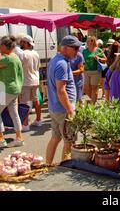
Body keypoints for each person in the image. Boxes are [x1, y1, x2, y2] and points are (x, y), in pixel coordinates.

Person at [45, 35, 81, 165]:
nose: (77, 51)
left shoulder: (55, 60)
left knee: (55, 137)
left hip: (55, 108)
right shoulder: (61, 63)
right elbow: (61, 90)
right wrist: (70, 110)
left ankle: (48, 164)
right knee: (69, 141)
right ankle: (65, 168)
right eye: (75, 48)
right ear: (65, 48)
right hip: (63, 109)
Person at [0, 36, 24, 148]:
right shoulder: (14, 56)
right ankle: (19, 138)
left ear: (4, 46)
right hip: (15, 89)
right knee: (14, 113)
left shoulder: (5, 59)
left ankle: (1, 139)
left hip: (6, 89)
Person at [19, 35, 42, 130]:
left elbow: (19, 67)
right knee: (36, 101)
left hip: (26, 81)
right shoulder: (36, 53)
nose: (20, 43)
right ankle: (38, 120)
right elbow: (38, 66)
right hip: (35, 79)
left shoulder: (22, 54)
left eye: (22, 42)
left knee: (24, 102)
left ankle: (25, 124)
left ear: (25, 43)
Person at [82, 36, 107, 104]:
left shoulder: (98, 50)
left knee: (94, 88)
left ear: (93, 41)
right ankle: (92, 99)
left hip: (96, 71)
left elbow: (105, 59)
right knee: (85, 88)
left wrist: (98, 58)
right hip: (86, 71)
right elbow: (81, 60)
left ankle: (93, 103)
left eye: (88, 40)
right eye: (87, 40)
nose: (87, 42)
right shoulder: (84, 51)